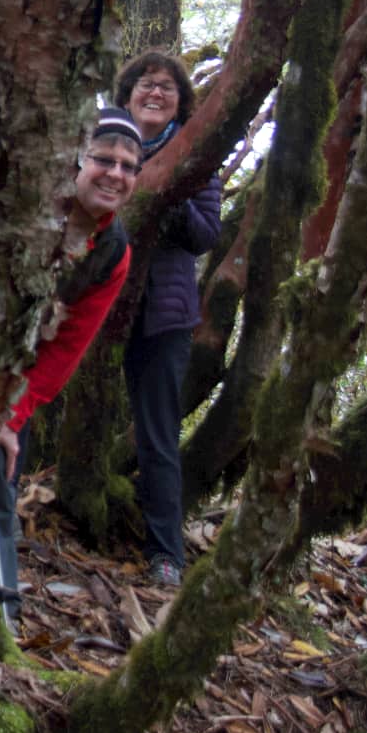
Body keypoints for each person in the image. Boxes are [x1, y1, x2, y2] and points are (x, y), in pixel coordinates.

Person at [0, 107, 142, 623]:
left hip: (5, 371)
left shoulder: (111, 251)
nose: (116, 174)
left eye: (129, 167)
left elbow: (65, 350)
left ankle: (0, 616)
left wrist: (9, 414)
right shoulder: (25, 192)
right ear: (76, 160)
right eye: (104, 160)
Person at [115, 51, 222, 586]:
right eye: (144, 84)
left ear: (181, 101)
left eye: (166, 88)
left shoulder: (196, 157)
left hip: (163, 310)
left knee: (158, 434)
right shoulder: (106, 146)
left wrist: (162, 195)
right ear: (127, 92)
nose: (154, 93)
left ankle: (165, 554)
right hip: (97, 302)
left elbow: (206, 234)